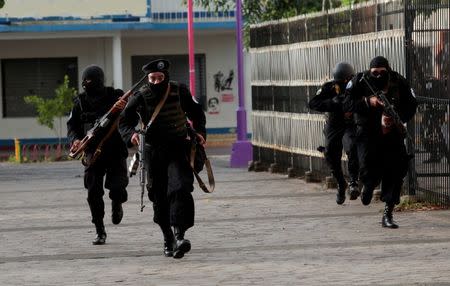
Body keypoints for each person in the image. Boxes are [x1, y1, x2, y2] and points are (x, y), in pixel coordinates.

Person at [118, 59, 206, 259]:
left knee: (181, 187)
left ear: (166, 76)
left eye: (160, 78)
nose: (156, 82)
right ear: (148, 79)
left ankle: (179, 235)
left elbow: (197, 112)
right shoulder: (140, 96)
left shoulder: (180, 91)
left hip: (178, 149)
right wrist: (131, 134)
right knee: (158, 196)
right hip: (153, 152)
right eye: (152, 79)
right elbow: (124, 120)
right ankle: (168, 238)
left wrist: (200, 132)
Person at [343, 56, 417, 228]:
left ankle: (388, 214)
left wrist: (399, 119)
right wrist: (368, 102)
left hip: (391, 134)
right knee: (369, 168)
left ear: (388, 70)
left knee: (396, 170)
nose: (378, 76)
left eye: (382, 73)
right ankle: (367, 186)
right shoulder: (360, 81)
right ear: (370, 71)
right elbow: (346, 102)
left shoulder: (398, 81)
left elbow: (412, 104)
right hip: (367, 134)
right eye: (374, 73)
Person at [67, 65, 129, 244]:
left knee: (117, 187)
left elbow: (130, 114)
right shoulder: (79, 102)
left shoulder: (116, 96)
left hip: (115, 150)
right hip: (92, 153)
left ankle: (117, 204)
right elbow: (72, 127)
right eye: (85, 81)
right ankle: (99, 230)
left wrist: (123, 107)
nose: (87, 84)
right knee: (93, 193)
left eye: (90, 80)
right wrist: (75, 141)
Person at [308, 62, 360, 205]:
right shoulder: (330, 87)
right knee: (331, 153)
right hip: (334, 124)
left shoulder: (357, 85)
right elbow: (312, 103)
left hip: (350, 124)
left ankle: (354, 181)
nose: (342, 84)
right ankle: (341, 183)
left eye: (345, 81)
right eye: (340, 81)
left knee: (352, 147)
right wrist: (332, 102)